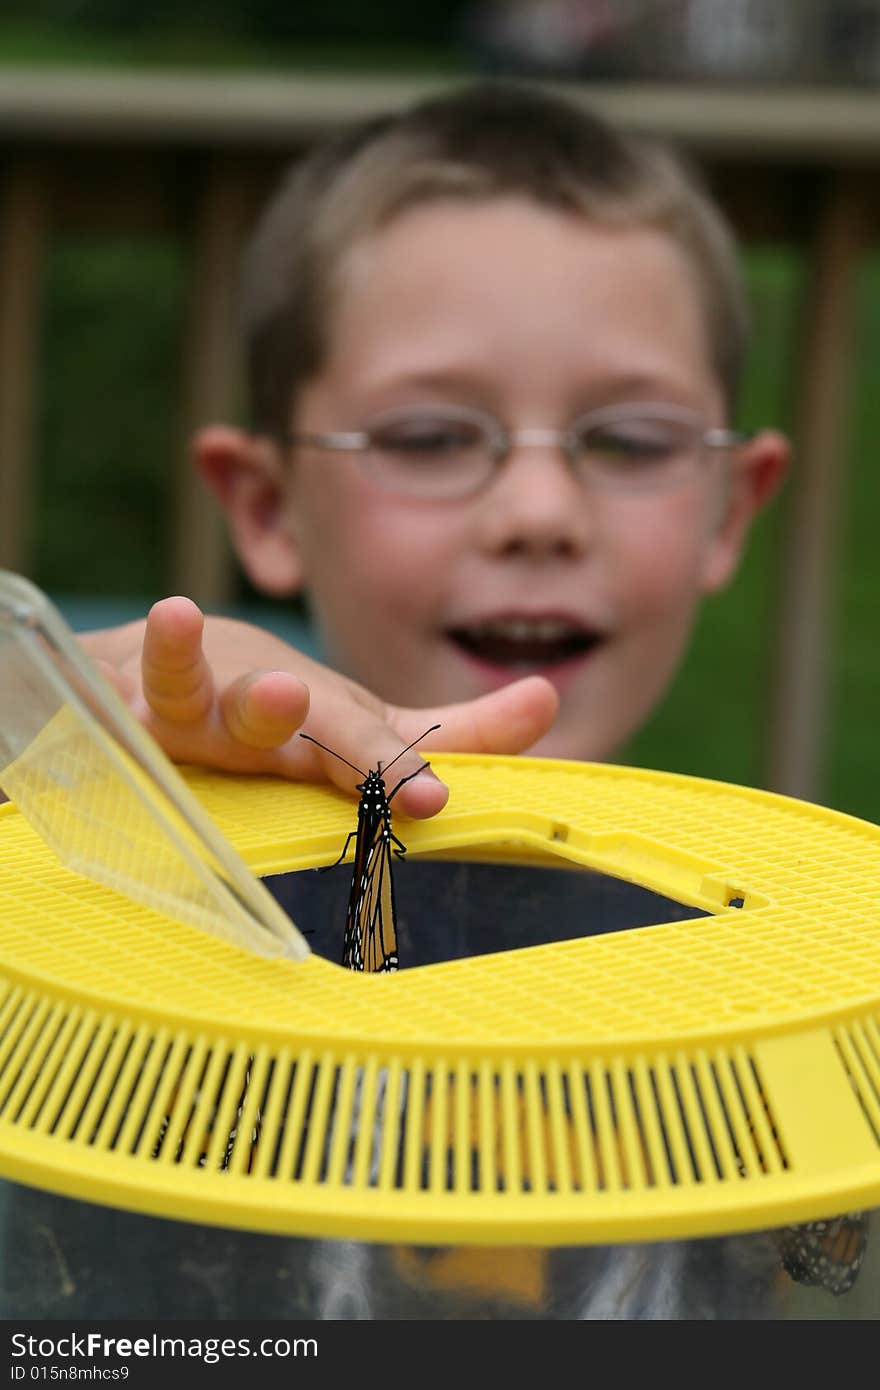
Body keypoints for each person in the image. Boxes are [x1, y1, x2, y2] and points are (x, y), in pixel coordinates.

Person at [82, 81, 788, 820]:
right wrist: (62, 727)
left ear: (730, 509)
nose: (541, 512)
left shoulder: (802, 918)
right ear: (269, 507)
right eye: (432, 439)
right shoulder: (154, 826)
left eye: (630, 441)